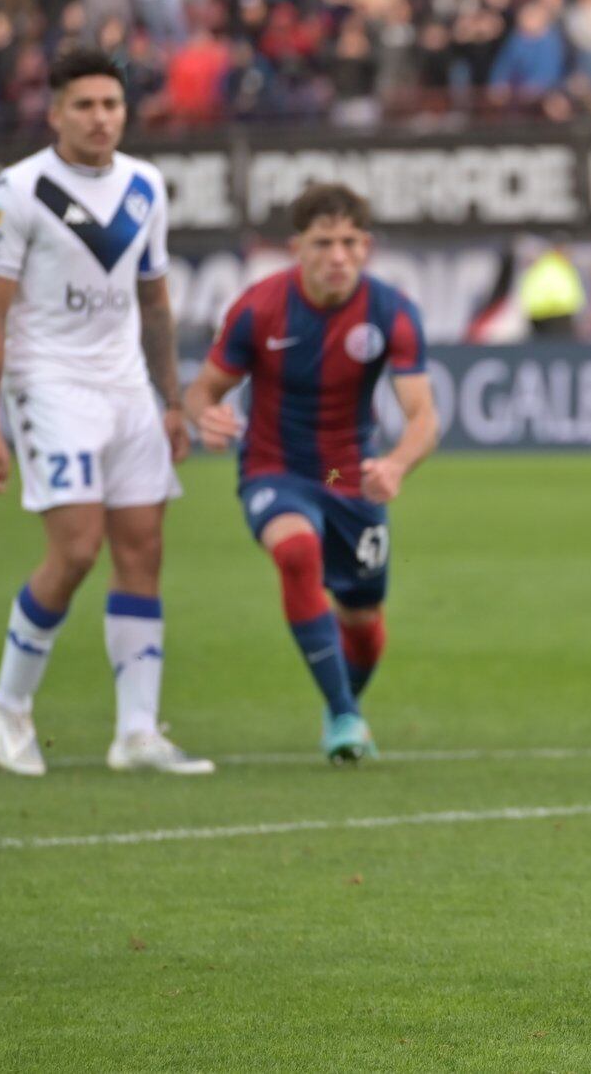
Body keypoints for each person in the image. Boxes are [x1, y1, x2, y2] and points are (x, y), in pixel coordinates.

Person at [0, 46, 211, 777]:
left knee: (142, 550)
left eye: (111, 104)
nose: (101, 117)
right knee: (75, 549)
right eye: (85, 105)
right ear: (55, 113)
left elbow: (155, 300)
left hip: (127, 388)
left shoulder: (145, 185)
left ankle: (136, 731)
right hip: (50, 385)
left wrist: (172, 400)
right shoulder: (19, 190)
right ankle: (7, 706)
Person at [183, 183, 437, 763]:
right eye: (323, 243)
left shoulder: (392, 312)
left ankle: (341, 703)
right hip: (276, 467)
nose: (337, 256)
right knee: (296, 552)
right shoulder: (258, 307)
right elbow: (202, 390)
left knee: (365, 623)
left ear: (367, 247)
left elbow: (424, 416)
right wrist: (206, 416)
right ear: (297, 247)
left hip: (348, 478)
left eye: (349, 242)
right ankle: (346, 716)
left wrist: (397, 464)